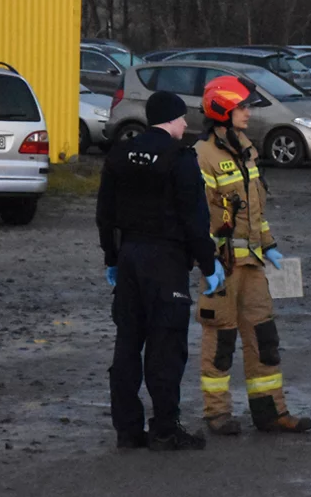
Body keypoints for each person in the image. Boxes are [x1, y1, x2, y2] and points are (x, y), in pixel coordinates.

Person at [96, 91, 219, 451]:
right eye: (182, 118)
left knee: (128, 344)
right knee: (166, 346)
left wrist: (112, 258)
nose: (185, 123)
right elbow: (195, 218)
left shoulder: (120, 153)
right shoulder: (179, 159)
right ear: (171, 118)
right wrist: (208, 263)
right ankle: (165, 429)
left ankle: (128, 430)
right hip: (165, 262)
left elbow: (106, 212)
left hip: (130, 256)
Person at [193, 75, 311, 435]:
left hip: (254, 264)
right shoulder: (202, 157)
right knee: (221, 338)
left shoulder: (246, 150)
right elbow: (198, 215)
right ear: (223, 111)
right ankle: (218, 414)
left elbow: (254, 209)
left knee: (264, 336)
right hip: (223, 265)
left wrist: (271, 244)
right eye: (242, 107)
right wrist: (206, 258)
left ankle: (271, 412)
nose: (247, 112)